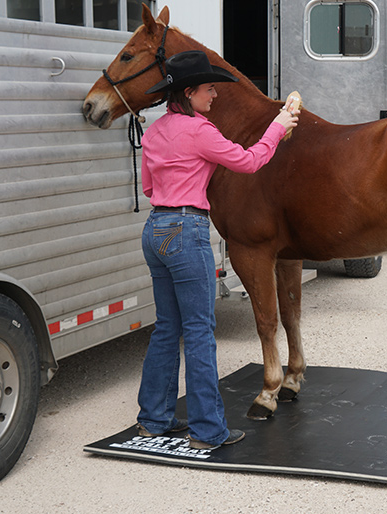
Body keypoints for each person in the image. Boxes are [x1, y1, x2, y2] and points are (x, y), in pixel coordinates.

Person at [135, 50, 299, 450]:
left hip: (155, 229)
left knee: (166, 329)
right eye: (209, 89)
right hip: (187, 230)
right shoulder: (201, 130)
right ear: (188, 92)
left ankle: (153, 418)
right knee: (199, 331)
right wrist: (278, 126)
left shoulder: (154, 131)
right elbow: (249, 161)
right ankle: (208, 430)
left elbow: (149, 189)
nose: (214, 96)